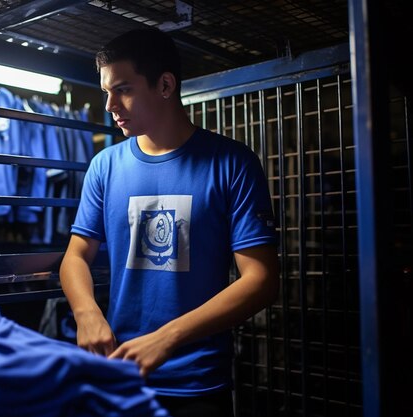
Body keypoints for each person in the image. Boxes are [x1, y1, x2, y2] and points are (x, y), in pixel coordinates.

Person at [59, 27, 279, 417]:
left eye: (123, 89)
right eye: (106, 91)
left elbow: (260, 280)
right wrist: (87, 313)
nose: (110, 104)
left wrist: (167, 338)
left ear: (164, 85)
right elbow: (76, 255)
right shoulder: (104, 166)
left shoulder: (231, 163)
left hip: (196, 383)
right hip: (118, 374)